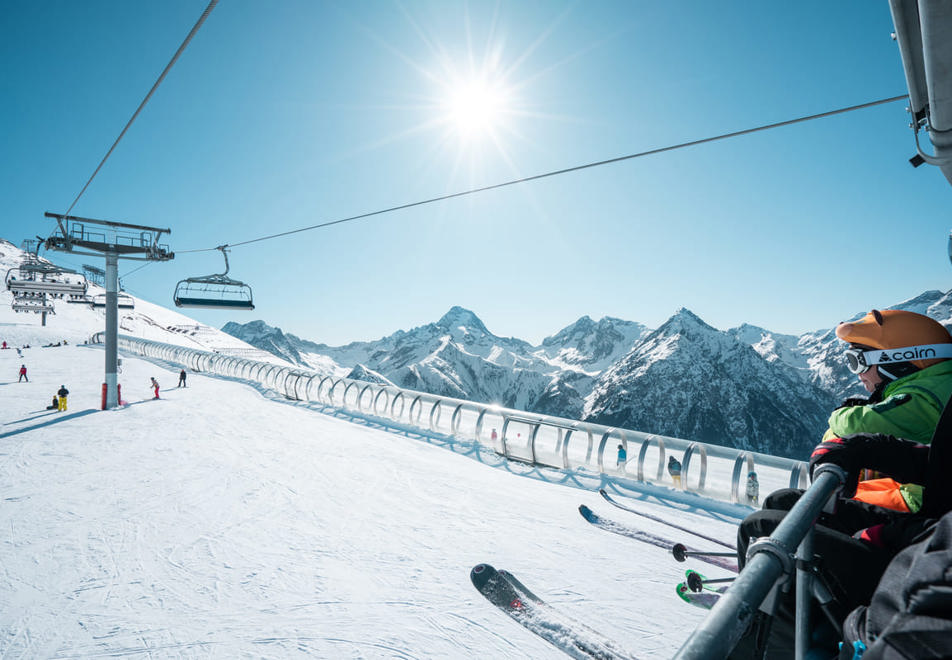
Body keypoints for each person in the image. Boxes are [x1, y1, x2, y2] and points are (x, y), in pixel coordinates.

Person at [824, 309, 952, 513]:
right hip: (928, 488)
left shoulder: (922, 397)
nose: (858, 374)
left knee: (819, 503)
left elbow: (858, 424)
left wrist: (840, 414)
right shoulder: (940, 384)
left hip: (924, 505)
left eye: (857, 360)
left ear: (897, 362)